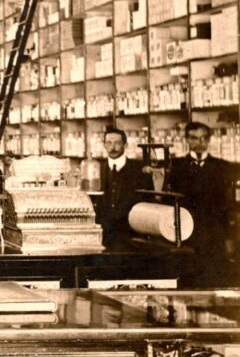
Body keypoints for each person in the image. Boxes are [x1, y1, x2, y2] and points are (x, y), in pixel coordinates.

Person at [164, 122, 237, 285]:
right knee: (188, 279)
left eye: (204, 138)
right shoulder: (176, 166)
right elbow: (168, 201)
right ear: (187, 140)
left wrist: (229, 236)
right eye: (194, 138)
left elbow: (229, 204)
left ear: (209, 140)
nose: (199, 142)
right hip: (186, 234)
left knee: (214, 279)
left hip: (214, 234)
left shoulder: (222, 167)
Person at [95, 127, 153, 250]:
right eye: (109, 143)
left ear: (125, 145)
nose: (113, 147)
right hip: (103, 236)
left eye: (117, 143)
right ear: (104, 145)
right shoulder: (97, 169)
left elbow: (149, 202)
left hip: (132, 236)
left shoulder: (139, 170)